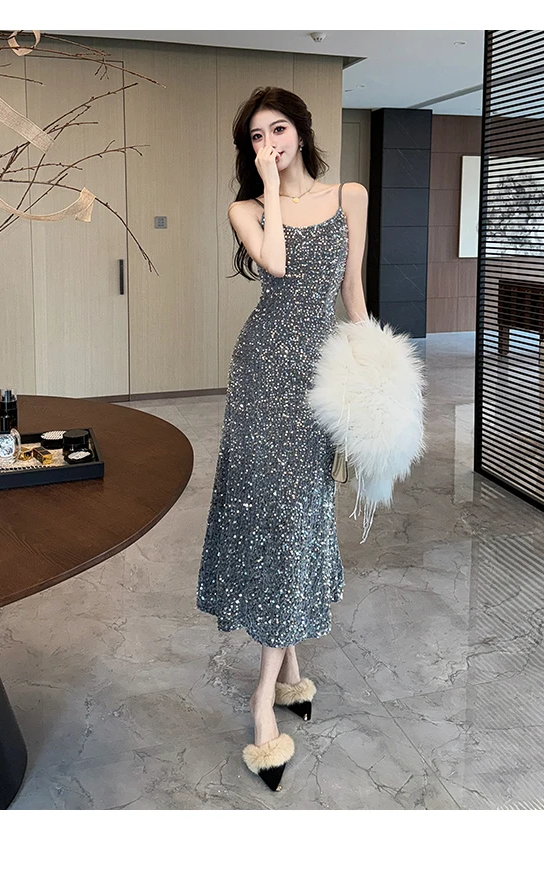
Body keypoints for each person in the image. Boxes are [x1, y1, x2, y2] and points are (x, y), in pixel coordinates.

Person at [196, 86, 369, 791]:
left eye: (279, 129)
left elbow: (352, 294)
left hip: (319, 378)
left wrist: (371, 378)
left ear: (301, 130)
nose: (270, 142)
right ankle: (264, 697)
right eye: (257, 136)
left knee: (302, 516)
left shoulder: (350, 197)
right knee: (274, 517)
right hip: (263, 372)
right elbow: (276, 265)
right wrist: (268, 186)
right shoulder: (247, 209)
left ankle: (291, 668)